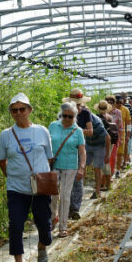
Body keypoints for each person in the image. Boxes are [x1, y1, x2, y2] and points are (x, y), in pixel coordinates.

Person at [0, 92, 53, 262]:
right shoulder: (6, 135)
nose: (19, 113)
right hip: (16, 188)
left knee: (44, 223)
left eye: (22, 109)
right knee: (15, 225)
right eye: (14, 110)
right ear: (11, 113)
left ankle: (42, 247)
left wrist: (41, 175)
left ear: (30, 110)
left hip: (40, 188)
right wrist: (11, 175)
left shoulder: (41, 131)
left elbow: (49, 157)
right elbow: (1, 160)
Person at [48, 102, 85, 238]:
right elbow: (46, 145)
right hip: (54, 165)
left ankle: (63, 226)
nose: (68, 119)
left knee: (64, 196)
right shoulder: (53, 126)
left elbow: (82, 151)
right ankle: (53, 217)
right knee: (53, 195)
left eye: (71, 116)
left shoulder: (78, 131)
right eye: (65, 116)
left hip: (70, 166)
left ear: (75, 117)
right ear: (61, 115)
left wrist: (81, 168)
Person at [63, 88, 93, 220]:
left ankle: (75, 208)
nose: (78, 106)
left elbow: (90, 131)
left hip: (79, 149)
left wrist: (77, 130)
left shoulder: (86, 113)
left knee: (77, 179)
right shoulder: (64, 112)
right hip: (66, 150)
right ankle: (67, 207)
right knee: (66, 180)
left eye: (79, 103)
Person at [91, 100, 113, 198]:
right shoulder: (109, 117)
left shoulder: (97, 117)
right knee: (105, 164)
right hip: (108, 142)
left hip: (102, 143)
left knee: (101, 166)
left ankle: (101, 186)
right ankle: (107, 185)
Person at [105, 95, 122, 185]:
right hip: (104, 138)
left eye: (111, 102)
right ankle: (105, 177)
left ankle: (110, 175)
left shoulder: (118, 112)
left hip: (114, 137)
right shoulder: (103, 111)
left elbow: (120, 126)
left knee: (112, 157)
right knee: (105, 157)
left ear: (114, 103)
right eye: (107, 101)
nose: (109, 103)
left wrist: (121, 138)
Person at [114, 95, 131, 175]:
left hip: (122, 134)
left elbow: (128, 123)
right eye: (117, 103)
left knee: (120, 152)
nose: (119, 104)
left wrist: (128, 134)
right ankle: (113, 169)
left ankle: (118, 170)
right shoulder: (111, 109)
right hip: (112, 134)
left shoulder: (125, 110)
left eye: (121, 103)